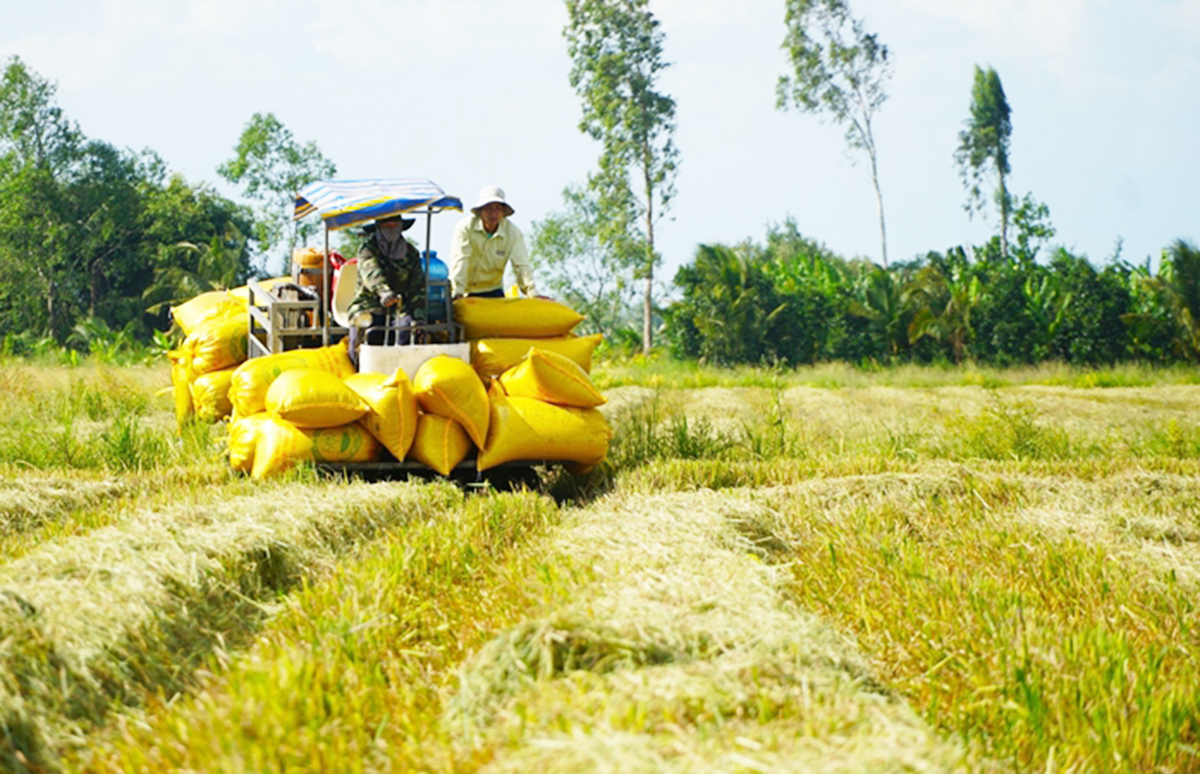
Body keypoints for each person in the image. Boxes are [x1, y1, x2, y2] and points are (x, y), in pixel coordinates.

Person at [347, 214, 426, 356]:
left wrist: (419, 316)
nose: (391, 230)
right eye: (386, 226)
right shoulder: (368, 249)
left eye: (395, 226)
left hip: (399, 306)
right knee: (366, 327)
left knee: (406, 328)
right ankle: (358, 368)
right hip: (369, 304)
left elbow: (417, 287)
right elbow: (372, 273)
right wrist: (384, 292)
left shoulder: (411, 253)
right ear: (378, 228)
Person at [449, 185, 536, 299]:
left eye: (497, 209)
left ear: (503, 212)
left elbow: (522, 265)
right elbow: (460, 260)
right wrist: (457, 292)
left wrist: (532, 292)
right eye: (488, 208)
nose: (493, 213)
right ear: (480, 210)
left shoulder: (513, 233)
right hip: (465, 291)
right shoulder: (465, 228)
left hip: (493, 291)